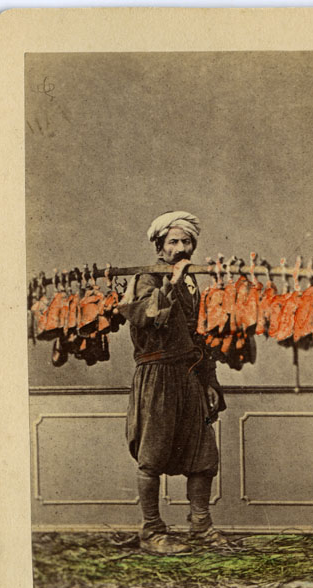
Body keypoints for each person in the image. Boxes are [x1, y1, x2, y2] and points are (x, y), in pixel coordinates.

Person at [118, 211, 227, 555]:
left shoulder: (194, 284)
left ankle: (201, 526)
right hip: (157, 374)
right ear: (160, 247)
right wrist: (171, 284)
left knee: (204, 455)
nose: (181, 248)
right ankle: (151, 531)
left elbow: (201, 337)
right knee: (152, 455)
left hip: (189, 375)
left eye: (187, 241)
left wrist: (209, 381)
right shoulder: (146, 278)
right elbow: (146, 317)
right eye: (173, 242)